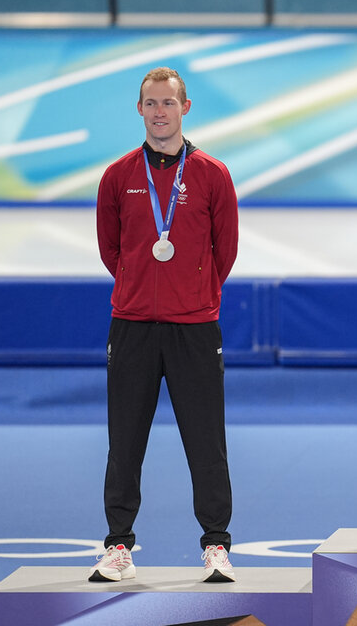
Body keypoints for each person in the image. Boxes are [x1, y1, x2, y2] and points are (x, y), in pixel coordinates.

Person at [91, 67, 239, 583]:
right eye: (151, 103)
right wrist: (140, 285)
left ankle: (216, 545)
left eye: (168, 103)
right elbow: (111, 249)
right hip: (131, 325)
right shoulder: (117, 176)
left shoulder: (213, 174)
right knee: (124, 442)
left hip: (194, 328)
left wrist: (192, 293)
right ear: (139, 110)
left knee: (206, 441)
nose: (160, 112)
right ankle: (118, 546)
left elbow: (225, 250)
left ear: (185, 108)